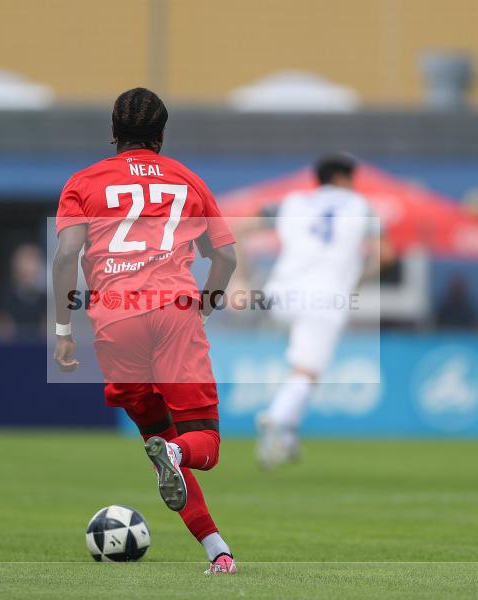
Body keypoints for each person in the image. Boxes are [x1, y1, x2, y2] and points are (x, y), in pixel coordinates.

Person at [51, 88, 239, 575]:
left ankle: (218, 551)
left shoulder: (83, 183)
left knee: (159, 440)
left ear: (114, 131)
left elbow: (67, 255)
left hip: (115, 321)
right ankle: (176, 452)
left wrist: (63, 328)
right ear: (161, 134)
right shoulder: (188, 180)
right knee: (203, 446)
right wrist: (205, 307)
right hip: (174, 312)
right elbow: (226, 256)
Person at [245, 153, 392, 469]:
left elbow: (240, 229)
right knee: (307, 372)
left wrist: (240, 279)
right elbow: (386, 255)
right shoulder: (361, 207)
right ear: (341, 178)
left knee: (299, 367)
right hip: (325, 298)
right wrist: (357, 281)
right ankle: (276, 419)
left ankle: (287, 437)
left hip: (280, 295)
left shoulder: (292, 201)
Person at [0, 243, 46, 336]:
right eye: (26, 260)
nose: (29, 266)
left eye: (33, 260)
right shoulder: (2, 297)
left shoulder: (49, 299)